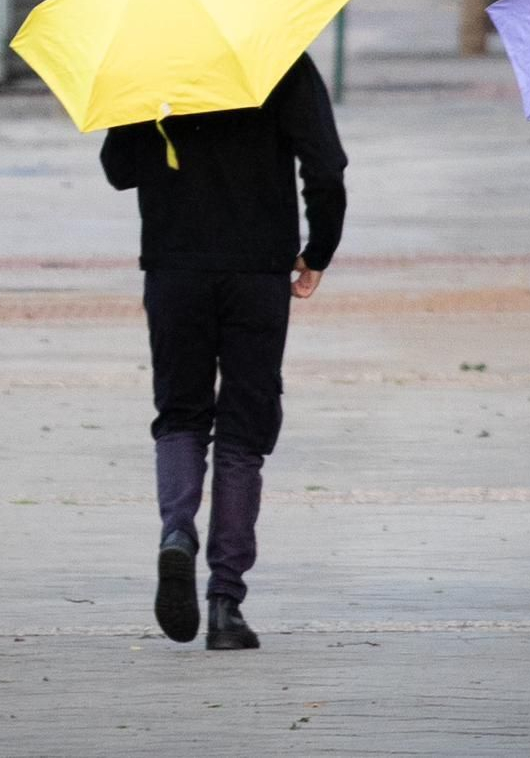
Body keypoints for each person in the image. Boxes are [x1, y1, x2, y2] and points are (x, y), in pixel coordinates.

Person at [100, 54, 348, 651]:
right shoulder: (281, 56)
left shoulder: (150, 59)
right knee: (244, 427)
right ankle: (225, 603)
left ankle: (176, 536)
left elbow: (119, 169)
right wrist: (319, 250)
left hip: (173, 267)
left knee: (180, 415)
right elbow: (325, 166)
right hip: (257, 271)